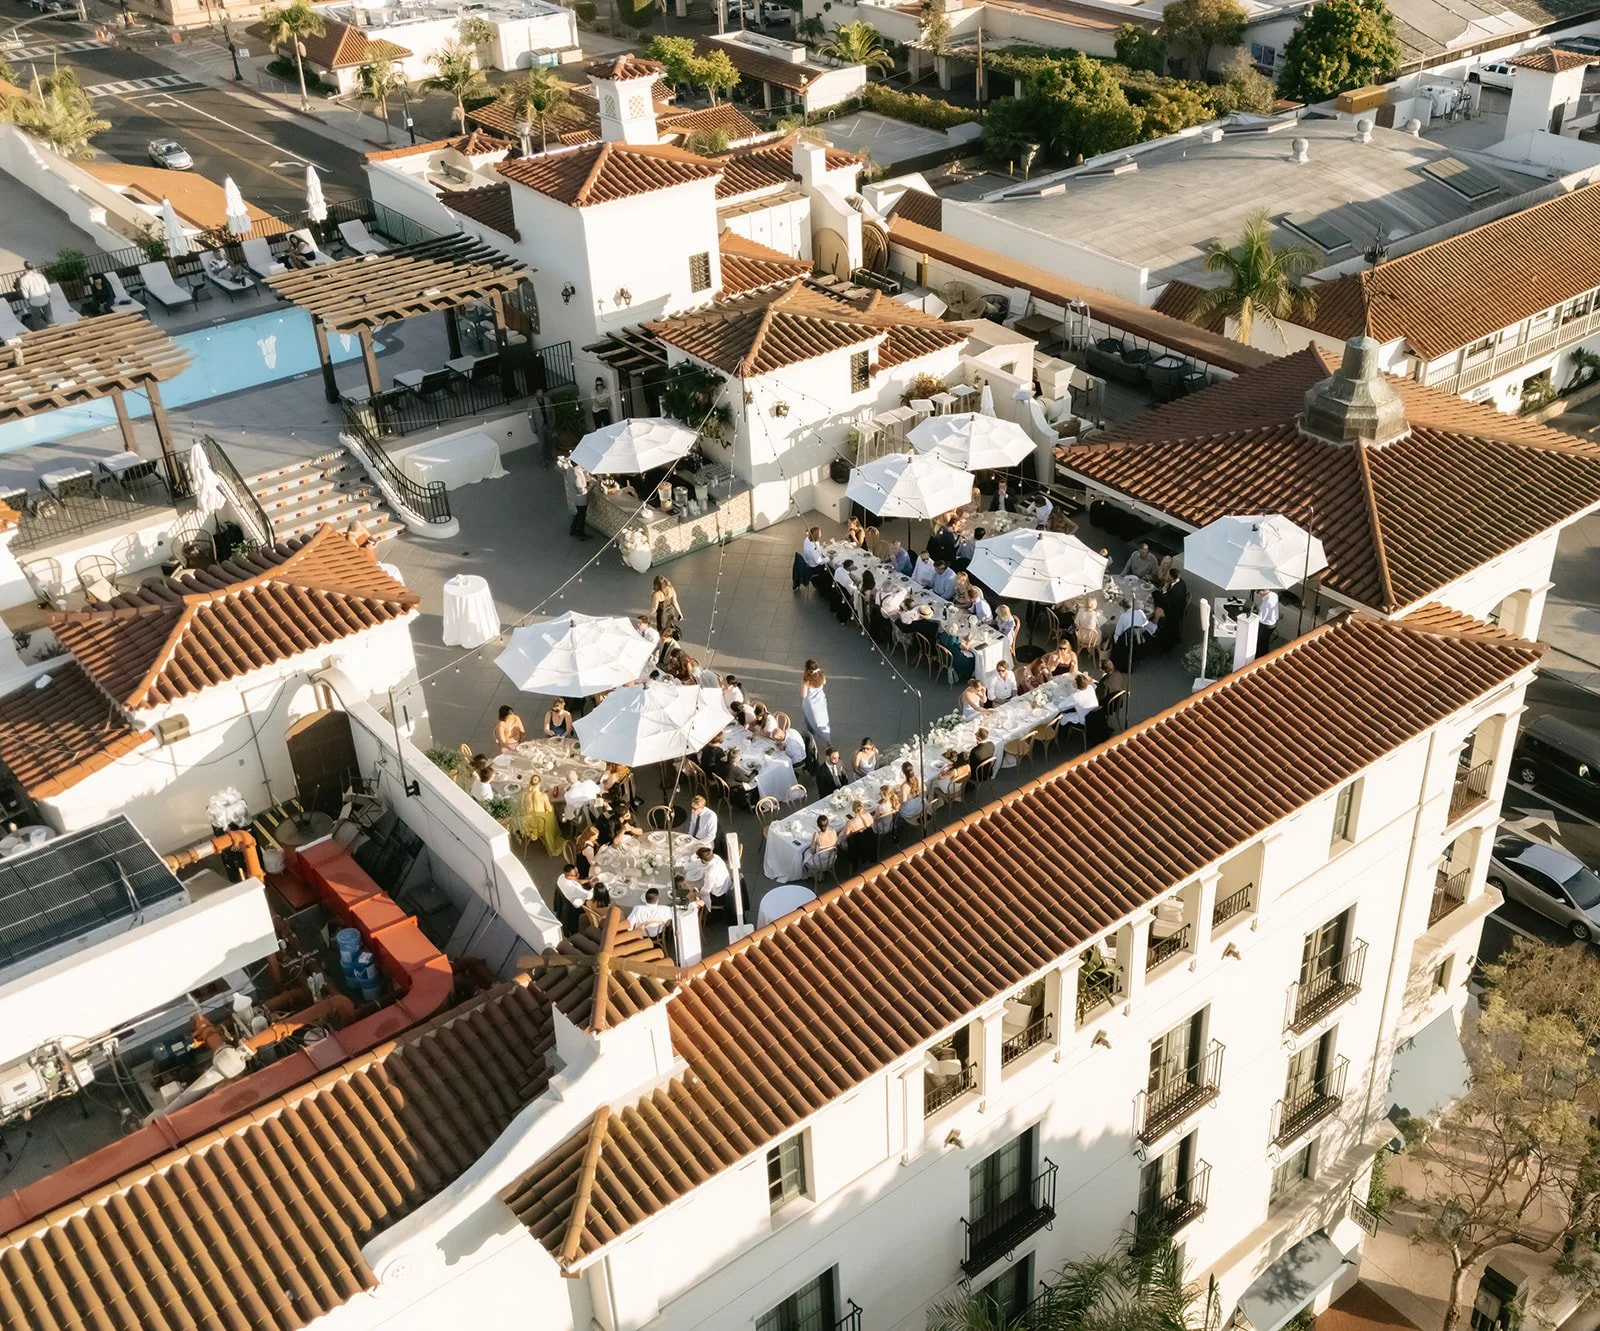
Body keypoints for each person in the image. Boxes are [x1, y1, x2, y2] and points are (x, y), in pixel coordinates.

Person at [520, 777, 564, 856]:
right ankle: (554, 831)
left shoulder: (525, 795)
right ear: (539, 784)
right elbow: (549, 809)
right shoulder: (543, 795)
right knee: (551, 810)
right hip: (541, 825)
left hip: (528, 824)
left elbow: (523, 808)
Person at [690, 844, 734, 920]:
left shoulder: (711, 873)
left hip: (719, 895)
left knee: (692, 895)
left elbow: (706, 891)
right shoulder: (716, 857)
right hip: (727, 886)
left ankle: (703, 915)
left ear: (703, 860)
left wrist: (697, 892)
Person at [1153, 567, 1190, 652]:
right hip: (1176, 604)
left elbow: (1168, 602)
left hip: (1173, 611)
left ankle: (1156, 618)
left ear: (1172, 577)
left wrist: (1164, 591)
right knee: (1157, 595)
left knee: (1156, 595)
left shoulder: (1177, 591)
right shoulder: (1181, 582)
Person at [554, 863, 592, 934]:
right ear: (568, 876)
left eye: (577, 872)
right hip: (573, 906)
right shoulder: (573, 889)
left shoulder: (562, 877)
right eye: (576, 874)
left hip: (564, 900)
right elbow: (589, 895)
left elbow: (576, 881)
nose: (578, 875)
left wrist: (588, 880)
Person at [800, 659, 831, 746]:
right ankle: (827, 738)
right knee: (822, 719)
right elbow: (824, 682)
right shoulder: (821, 675)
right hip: (821, 700)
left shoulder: (806, 680)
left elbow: (804, 694)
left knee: (809, 720)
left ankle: (810, 735)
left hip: (810, 703)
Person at [16, 263, 50, 328]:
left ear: (25, 268)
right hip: (45, 298)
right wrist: (48, 295)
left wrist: (28, 298)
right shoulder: (41, 276)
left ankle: (40, 332)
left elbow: (24, 291)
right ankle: (53, 329)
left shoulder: (23, 279)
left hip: (33, 300)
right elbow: (47, 287)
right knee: (49, 316)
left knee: (36, 319)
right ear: (33, 267)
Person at [794, 526, 827, 590]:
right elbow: (819, 562)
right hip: (813, 567)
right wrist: (829, 558)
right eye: (820, 533)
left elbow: (817, 548)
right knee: (827, 568)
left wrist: (821, 547)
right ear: (817, 536)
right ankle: (822, 587)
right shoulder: (813, 548)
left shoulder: (807, 539)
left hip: (807, 560)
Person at [1256, 588, 1280, 656]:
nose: (1258, 594)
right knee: (1265, 641)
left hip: (1266, 625)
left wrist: (1255, 614)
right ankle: (1265, 655)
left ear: (1262, 591)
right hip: (1273, 622)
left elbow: (1261, 618)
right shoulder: (1274, 594)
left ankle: (1259, 657)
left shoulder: (1266, 602)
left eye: (1258, 592)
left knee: (1260, 642)